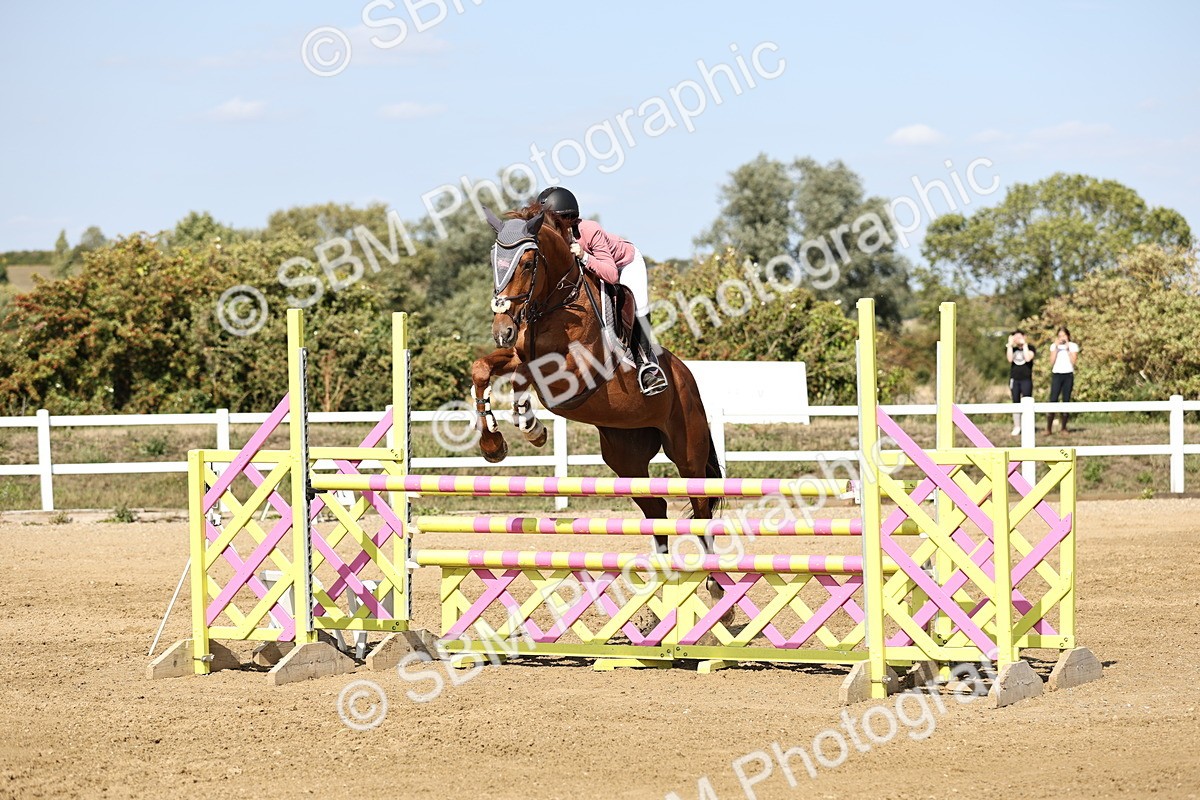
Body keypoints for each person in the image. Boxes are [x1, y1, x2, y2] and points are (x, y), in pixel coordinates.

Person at [536, 186, 668, 396]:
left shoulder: (590, 230)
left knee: (638, 307)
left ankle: (647, 366)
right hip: (598, 268)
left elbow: (612, 274)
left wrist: (584, 257)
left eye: (550, 220)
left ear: (567, 219)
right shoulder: (555, 240)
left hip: (625, 264)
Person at [1047, 326, 1080, 434]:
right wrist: (1056, 348)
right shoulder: (1054, 346)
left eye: (1064, 335)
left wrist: (1067, 348)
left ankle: (1064, 427)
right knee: (1053, 399)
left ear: (1068, 336)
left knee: (1066, 400)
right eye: (1060, 336)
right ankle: (1049, 428)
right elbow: (1051, 362)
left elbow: (1074, 361)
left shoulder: (1073, 346)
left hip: (1068, 374)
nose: (1062, 338)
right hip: (1057, 374)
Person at [1006, 329, 1035, 436]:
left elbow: (1028, 358)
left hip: (1026, 379)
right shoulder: (1012, 349)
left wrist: (1024, 345)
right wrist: (1009, 345)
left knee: (1027, 402)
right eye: (1016, 337)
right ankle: (1017, 426)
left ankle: (1027, 426)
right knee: (1015, 402)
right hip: (1015, 379)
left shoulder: (1031, 348)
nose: (1017, 339)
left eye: (1019, 337)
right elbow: (1009, 359)